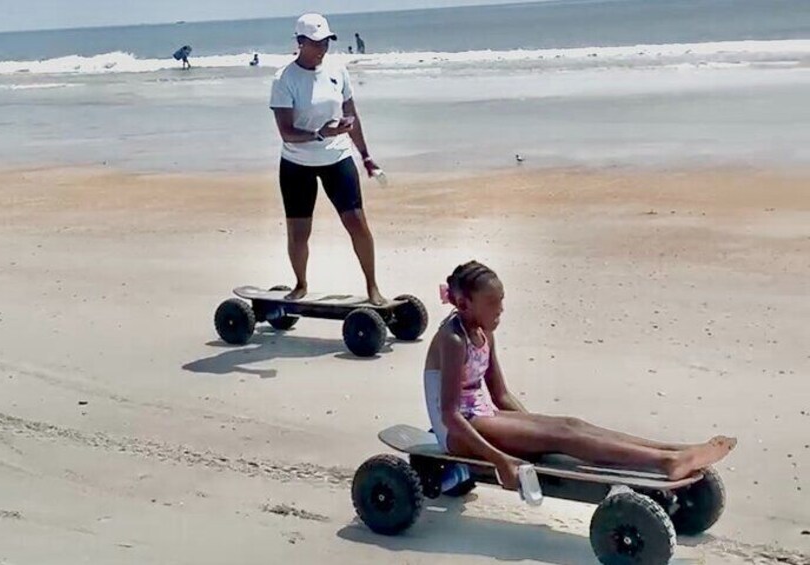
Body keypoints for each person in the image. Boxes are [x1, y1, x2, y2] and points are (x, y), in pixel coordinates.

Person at [424, 260, 737, 490]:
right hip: (457, 432)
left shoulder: (482, 332)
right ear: (464, 304)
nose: (501, 309)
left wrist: (538, 428)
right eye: (493, 303)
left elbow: (501, 394)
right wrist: (500, 460)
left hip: (482, 415)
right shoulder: (453, 339)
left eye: (502, 300)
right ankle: (664, 463)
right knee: (562, 435)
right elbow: (451, 415)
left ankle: (674, 450)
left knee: (569, 426)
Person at [269, 13, 385, 304]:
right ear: (300, 42)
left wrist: (366, 156)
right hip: (297, 164)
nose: (323, 49)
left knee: (357, 222)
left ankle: (372, 287)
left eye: (327, 42)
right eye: (317, 43)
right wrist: (320, 133)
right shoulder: (284, 79)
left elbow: (352, 115)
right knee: (299, 232)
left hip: (337, 158)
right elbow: (286, 132)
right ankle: (300, 284)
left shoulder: (337, 70)